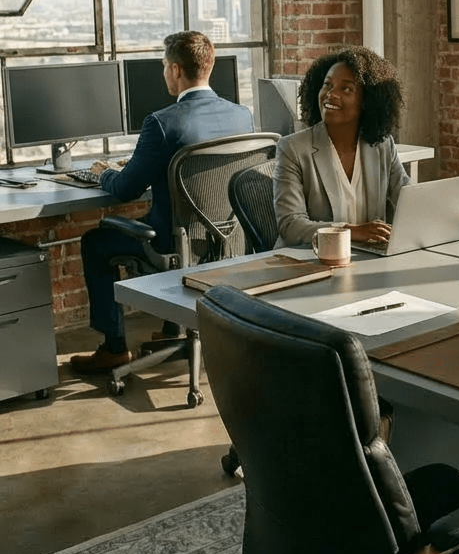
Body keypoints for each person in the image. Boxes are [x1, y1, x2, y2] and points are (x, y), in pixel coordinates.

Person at [71, 32, 254, 372]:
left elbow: (125, 189)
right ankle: (172, 330)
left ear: (175, 70)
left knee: (95, 242)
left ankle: (114, 348)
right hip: (228, 240)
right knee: (171, 217)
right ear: (209, 65)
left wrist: (103, 172)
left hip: (173, 244)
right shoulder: (242, 117)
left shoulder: (162, 123)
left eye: (164, 66)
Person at [274, 46, 410, 248]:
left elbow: (409, 201)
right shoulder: (293, 148)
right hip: (310, 257)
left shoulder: (382, 146)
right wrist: (350, 231)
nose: (331, 94)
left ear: (367, 100)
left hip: (368, 257)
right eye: (327, 85)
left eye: (346, 89)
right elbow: (291, 226)